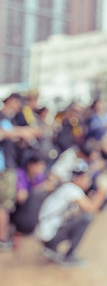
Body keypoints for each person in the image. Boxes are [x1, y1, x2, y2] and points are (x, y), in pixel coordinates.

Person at [36, 160, 107, 267]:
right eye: (86, 177)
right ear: (78, 178)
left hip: (46, 234)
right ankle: (68, 256)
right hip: (48, 236)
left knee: (80, 216)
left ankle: (50, 249)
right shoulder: (72, 189)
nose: (89, 181)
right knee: (87, 218)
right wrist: (102, 190)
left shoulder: (68, 187)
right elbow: (92, 209)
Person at [0, 93, 38, 250]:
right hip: (5, 168)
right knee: (4, 205)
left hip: (8, 166)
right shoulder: (4, 117)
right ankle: (2, 239)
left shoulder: (10, 119)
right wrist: (22, 132)